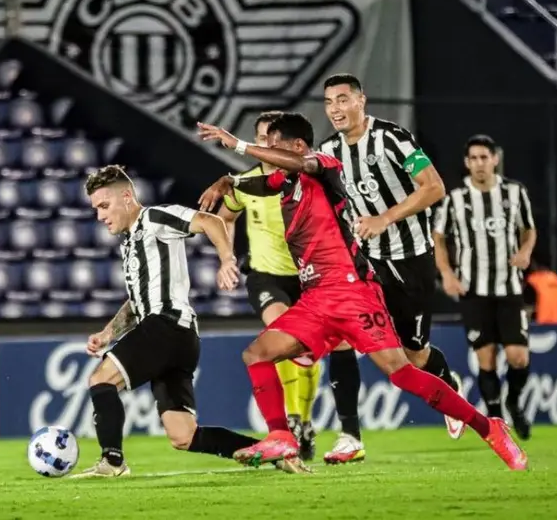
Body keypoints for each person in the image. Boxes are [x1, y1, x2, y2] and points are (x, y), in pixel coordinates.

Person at [196, 114, 528, 471]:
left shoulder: (323, 164)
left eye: (273, 145)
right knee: (256, 355)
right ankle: (282, 435)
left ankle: (489, 427)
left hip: (353, 292)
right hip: (317, 297)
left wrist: (241, 146)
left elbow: (298, 163)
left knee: (402, 373)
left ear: (296, 146)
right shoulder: (284, 180)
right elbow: (259, 184)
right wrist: (228, 180)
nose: (267, 153)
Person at [71, 165, 307, 478]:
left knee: (101, 380)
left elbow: (210, 220)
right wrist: (107, 333)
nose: (100, 216)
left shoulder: (154, 218)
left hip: (166, 326)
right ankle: (272, 453)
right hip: (179, 337)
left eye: (104, 206)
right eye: (95, 209)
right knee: (183, 436)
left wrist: (226, 259)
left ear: (127, 197)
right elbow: (138, 302)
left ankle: (112, 462)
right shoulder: (130, 242)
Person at [316, 73, 463, 463]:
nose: (335, 109)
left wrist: (385, 217)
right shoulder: (328, 150)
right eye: (329, 102)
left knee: (414, 354)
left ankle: (447, 384)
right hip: (363, 261)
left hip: (410, 257)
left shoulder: (392, 138)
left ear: (362, 101)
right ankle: (349, 436)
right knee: (341, 336)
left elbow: (434, 187)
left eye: (343, 99)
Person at [216, 110, 319, 460]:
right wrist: (227, 257)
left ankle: (302, 419)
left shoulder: (304, 179)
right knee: (281, 332)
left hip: (309, 275)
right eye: (262, 139)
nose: (267, 145)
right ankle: (287, 423)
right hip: (266, 276)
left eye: (273, 140)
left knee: (307, 351)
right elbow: (225, 217)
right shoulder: (245, 183)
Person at [433, 134, 537, 439]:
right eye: (473, 158)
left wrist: (526, 251)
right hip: (473, 290)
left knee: (519, 356)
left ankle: (514, 402)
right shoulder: (455, 198)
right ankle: (496, 419)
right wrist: (447, 274)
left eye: (484, 157)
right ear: (467, 163)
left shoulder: (515, 193)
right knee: (486, 357)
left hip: (509, 289)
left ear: (494, 159)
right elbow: (439, 238)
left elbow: (529, 229)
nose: (479, 163)